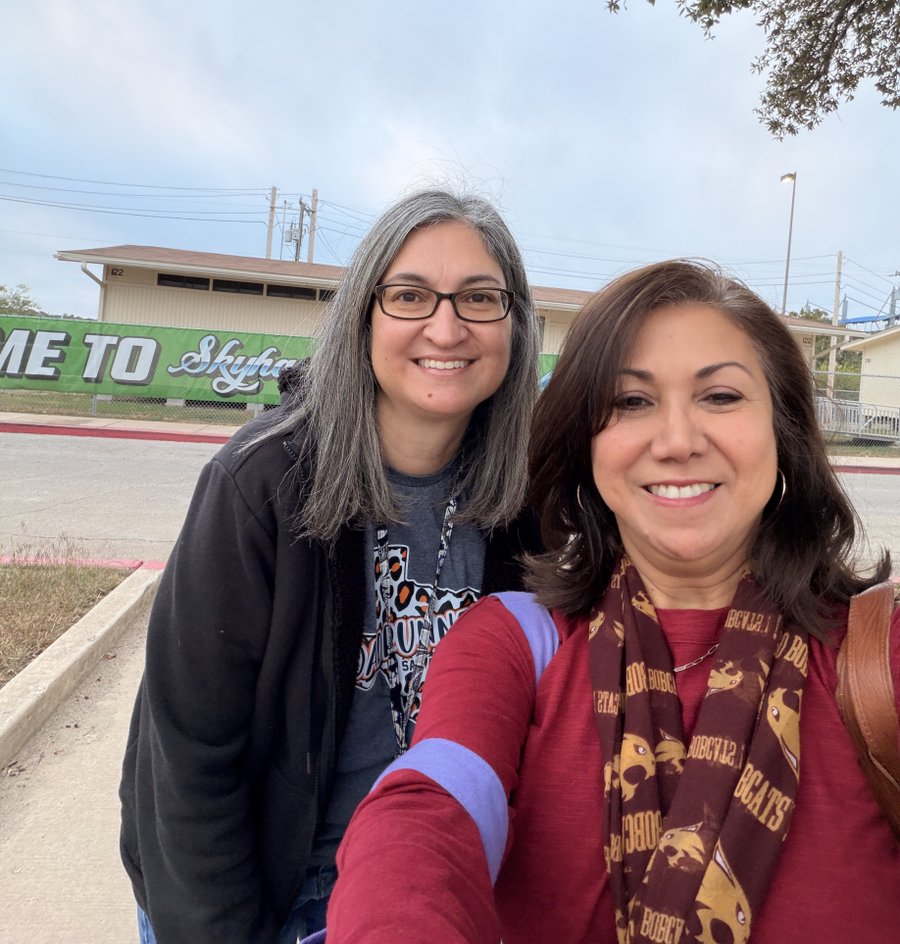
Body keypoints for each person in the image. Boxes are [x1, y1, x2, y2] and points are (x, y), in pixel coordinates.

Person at [323, 259, 899, 944]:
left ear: (785, 433)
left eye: (720, 397)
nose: (679, 441)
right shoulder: (512, 644)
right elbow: (428, 808)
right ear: (585, 446)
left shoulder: (875, 656)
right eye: (631, 402)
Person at [119, 188, 542, 944]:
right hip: (269, 887)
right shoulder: (262, 483)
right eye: (410, 295)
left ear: (515, 326)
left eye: (480, 298)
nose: (446, 327)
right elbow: (186, 756)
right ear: (364, 316)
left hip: (431, 877)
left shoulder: (525, 498)